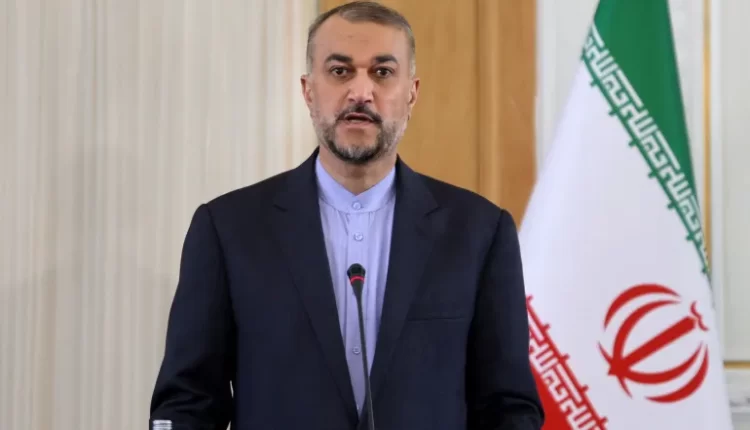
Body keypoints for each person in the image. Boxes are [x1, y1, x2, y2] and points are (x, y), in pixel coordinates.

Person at [149, 2, 544, 429]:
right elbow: (187, 402)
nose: (360, 92)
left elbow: (508, 408)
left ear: (411, 93)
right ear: (308, 91)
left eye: (382, 72)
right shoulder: (229, 229)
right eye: (340, 71)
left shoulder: (479, 233)